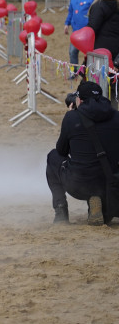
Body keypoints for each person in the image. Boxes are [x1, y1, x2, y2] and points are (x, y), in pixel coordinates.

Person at [46, 80, 119, 225]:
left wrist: (70, 116)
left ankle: (61, 210)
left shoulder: (72, 117)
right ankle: (98, 204)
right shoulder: (116, 116)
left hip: (79, 184)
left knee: (53, 156)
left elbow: (62, 150)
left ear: (79, 100)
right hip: (109, 183)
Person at [64, 0, 95, 79]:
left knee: (90, 54)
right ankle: (74, 73)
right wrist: (66, 24)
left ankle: (91, 73)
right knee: (72, 52)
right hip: (75, 32)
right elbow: (70, 12)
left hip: (88, 32)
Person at [88, 0, 119, 65]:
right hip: (117, 49)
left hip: (101, 49)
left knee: (98, 78)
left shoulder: (98, 5)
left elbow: (92, 28)